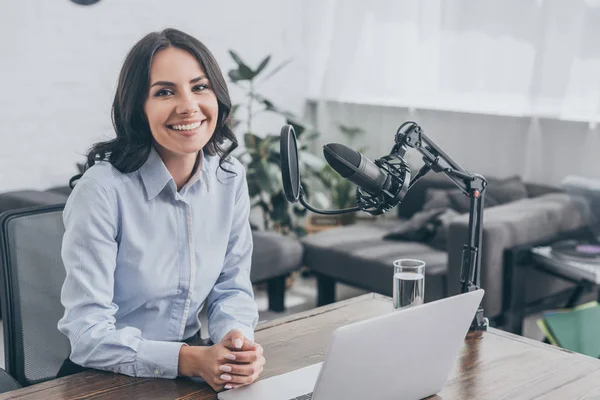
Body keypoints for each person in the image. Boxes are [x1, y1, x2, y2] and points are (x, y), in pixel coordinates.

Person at [57, 28, 265, 392]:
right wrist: (188, 359)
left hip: (192, 374)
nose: (188, 105)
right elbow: (88, 334)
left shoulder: (229, 179)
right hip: (102, 380)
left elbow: (231, 288)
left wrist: (236, 344)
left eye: (200, 87)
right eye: (165, 92)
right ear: (138, 107)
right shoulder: (103, 190)